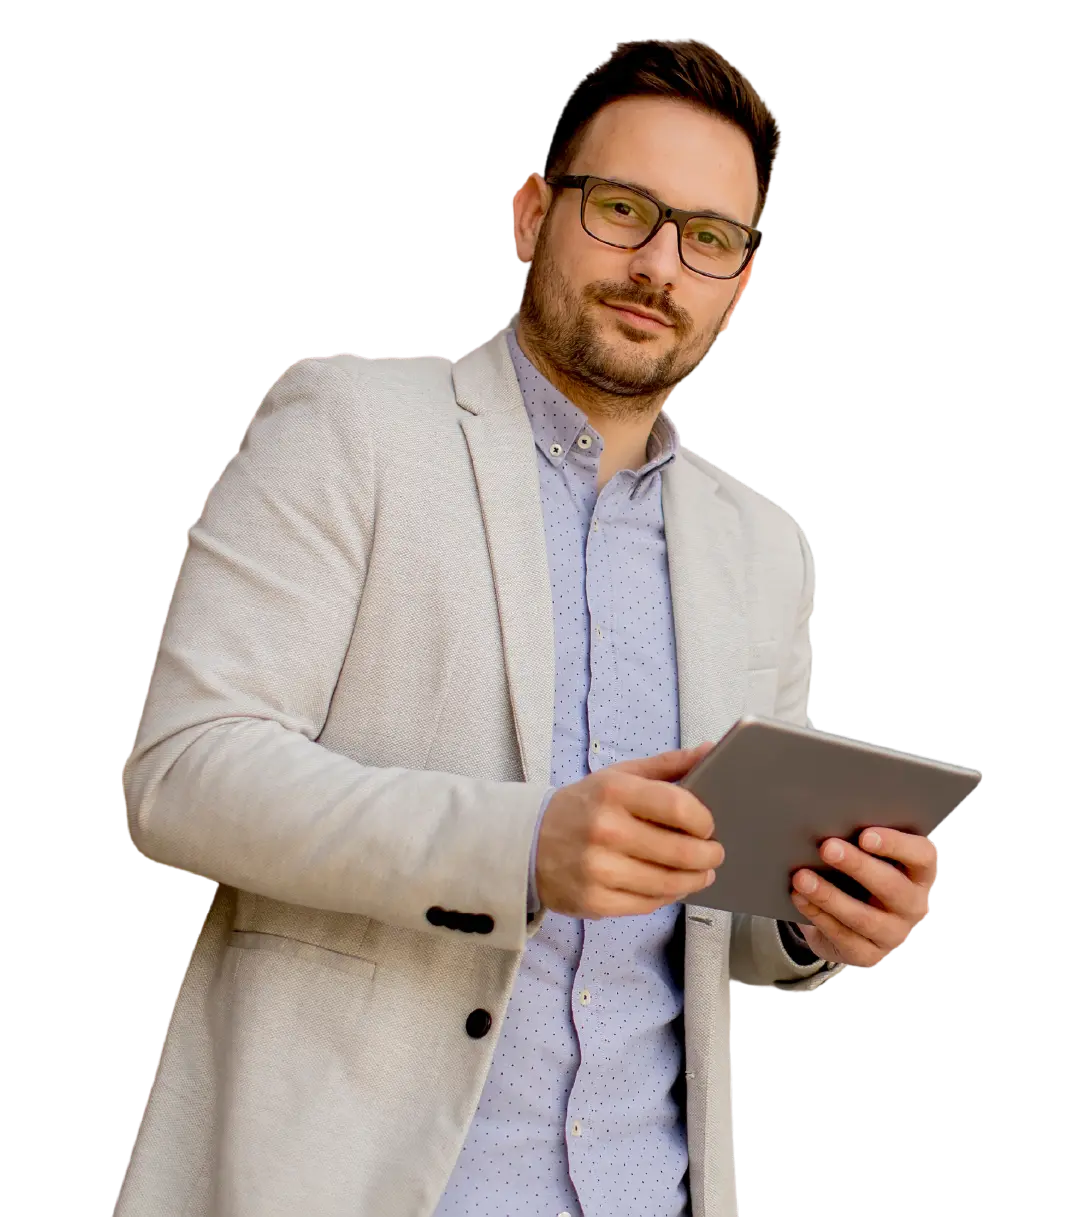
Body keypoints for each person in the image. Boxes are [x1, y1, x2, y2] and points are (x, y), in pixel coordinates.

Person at [115, 37, 939, 1217]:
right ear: (532, 213)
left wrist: (819, 916)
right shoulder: (344, 422)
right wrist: (520, 846)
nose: (660, 263)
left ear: (740, 285)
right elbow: (181, 776)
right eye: (623, 210)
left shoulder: (770, 547)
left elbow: (727, 932)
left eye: (708, 237)